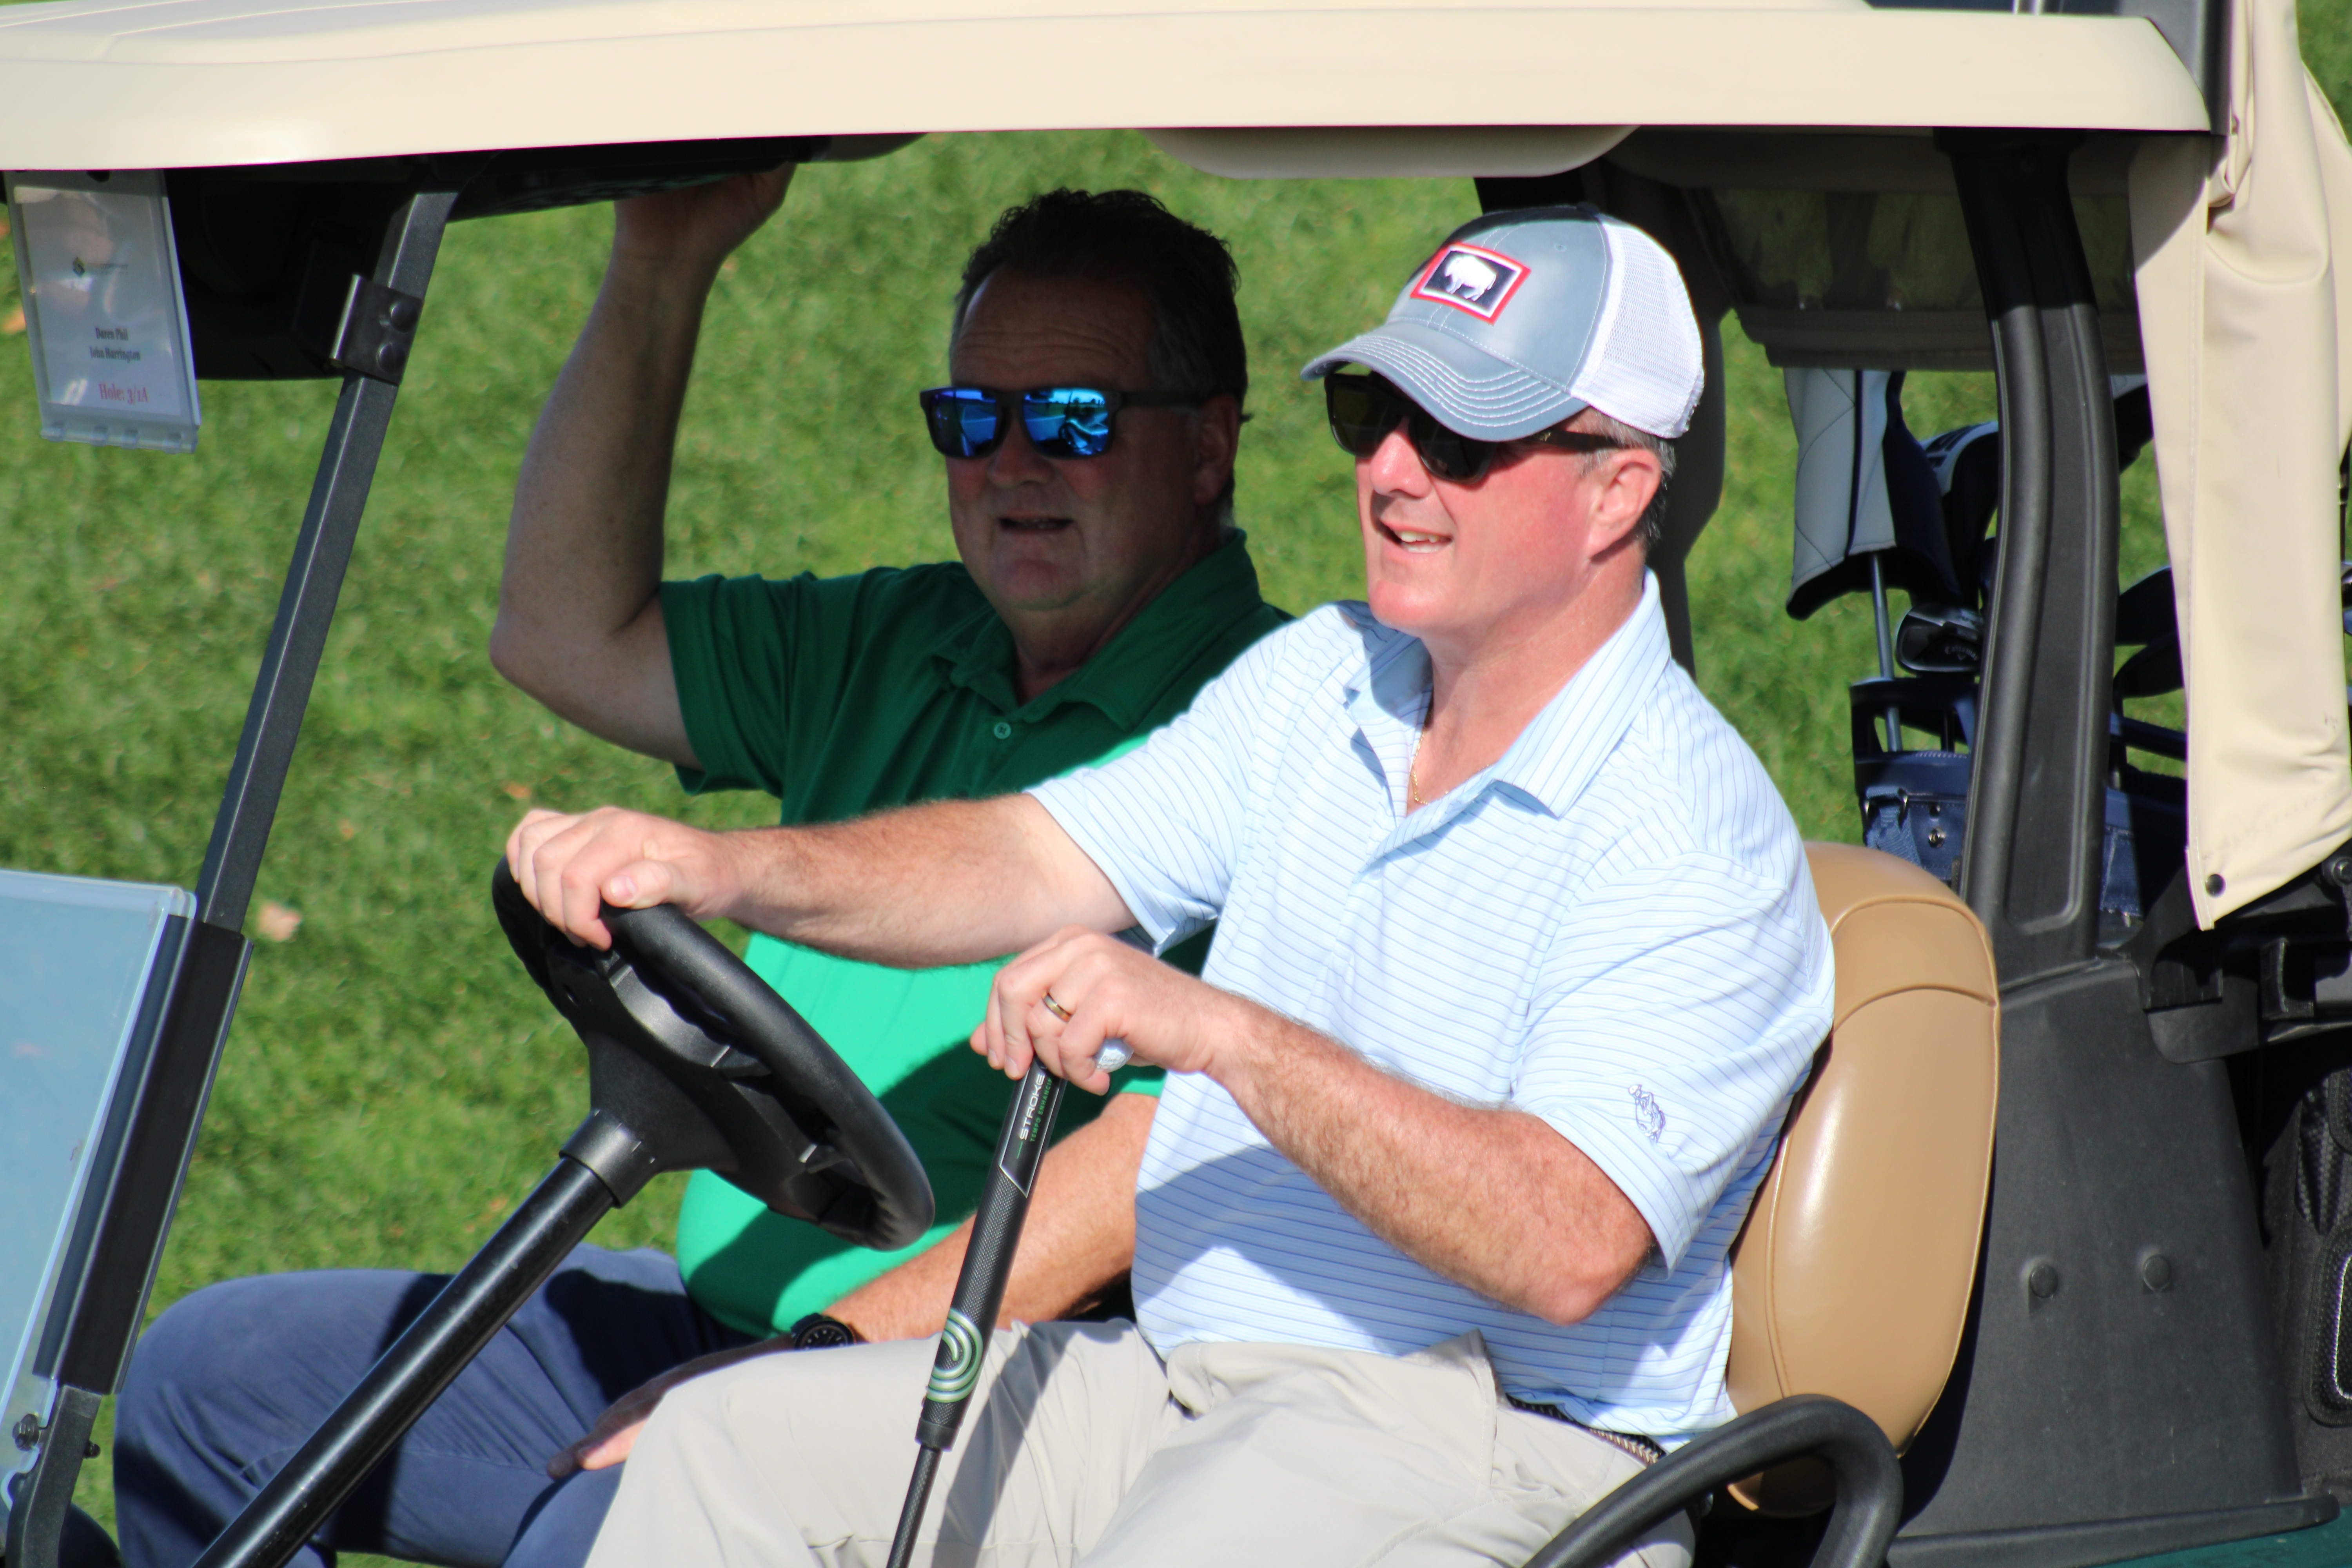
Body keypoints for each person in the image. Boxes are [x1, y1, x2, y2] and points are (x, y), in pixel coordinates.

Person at [506, 205, 1835, 1568]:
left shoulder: (1692, 833)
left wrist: (1224, 1036)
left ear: (1618, 488)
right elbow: (1032, 857)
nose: (1389, 471)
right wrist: (723, 869)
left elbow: (1563, 1243)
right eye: (1373, 412)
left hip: (1479, 1431)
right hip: (1179, 1380)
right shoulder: (1324, 683)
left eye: (1460, 440)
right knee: (723, 1450)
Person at [110, 180, 1287, 1568]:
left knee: (608, 1541)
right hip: (734, 1318)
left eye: (1072, 422)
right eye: (970, 420)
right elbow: (561, 632)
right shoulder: (901, 639)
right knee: (212, 1386)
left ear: (1207, 447)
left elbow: (1154, 1176)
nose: (1009, 463)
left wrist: (806, 1365)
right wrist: (660, 265)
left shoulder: (1265, 726)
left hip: (972, 1389)